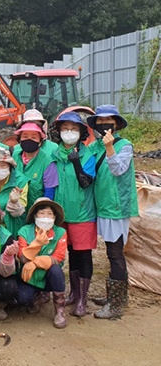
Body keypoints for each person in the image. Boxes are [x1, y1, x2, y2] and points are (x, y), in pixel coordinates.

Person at [87, 104, 138, 320]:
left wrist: (110, 148)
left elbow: (118, 169)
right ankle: (115, 296)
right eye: (99, 121)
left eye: (107, 120)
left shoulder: (125, 145)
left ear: (116, 124)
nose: (103, 124)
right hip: (103, 206)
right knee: (110, 251)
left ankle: (116, 304)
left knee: (115, 253)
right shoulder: (95, 145)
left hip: (117, 207)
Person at [50, 112, 96, 317]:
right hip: (61, 213)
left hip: (82, 213)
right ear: (59, 132)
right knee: (69, 253)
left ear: (81, 132)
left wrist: (76, 162)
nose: (69, 132)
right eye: (65, 128)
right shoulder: (55, 155)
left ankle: (83, 300)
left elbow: (86, 182)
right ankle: (73, 293)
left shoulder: (88, 155)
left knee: (83, 254)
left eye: (74, 129)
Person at [17, 198, 68, 329]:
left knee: (56, 270)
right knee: (22, 298)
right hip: (30, 276)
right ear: (35, 215)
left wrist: (35, 262)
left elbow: (59, 257)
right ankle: (38, 296)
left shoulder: (60, 232)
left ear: (55, 217)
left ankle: (60, 311)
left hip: (49, 274)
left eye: (49, 214)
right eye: (42, 213)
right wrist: (37, 244)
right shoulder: (24, 231)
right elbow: (22, 257)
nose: (45, 217)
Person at [12, 121, 58, 209]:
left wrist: (41, 212)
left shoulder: (47, 161)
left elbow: (49, 192)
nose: (29, 140)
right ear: (19, 140)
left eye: (34, 137)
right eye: (25, 136)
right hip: (14, 210)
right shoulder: (14, 156)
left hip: (36, 211)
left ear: (40, 141)